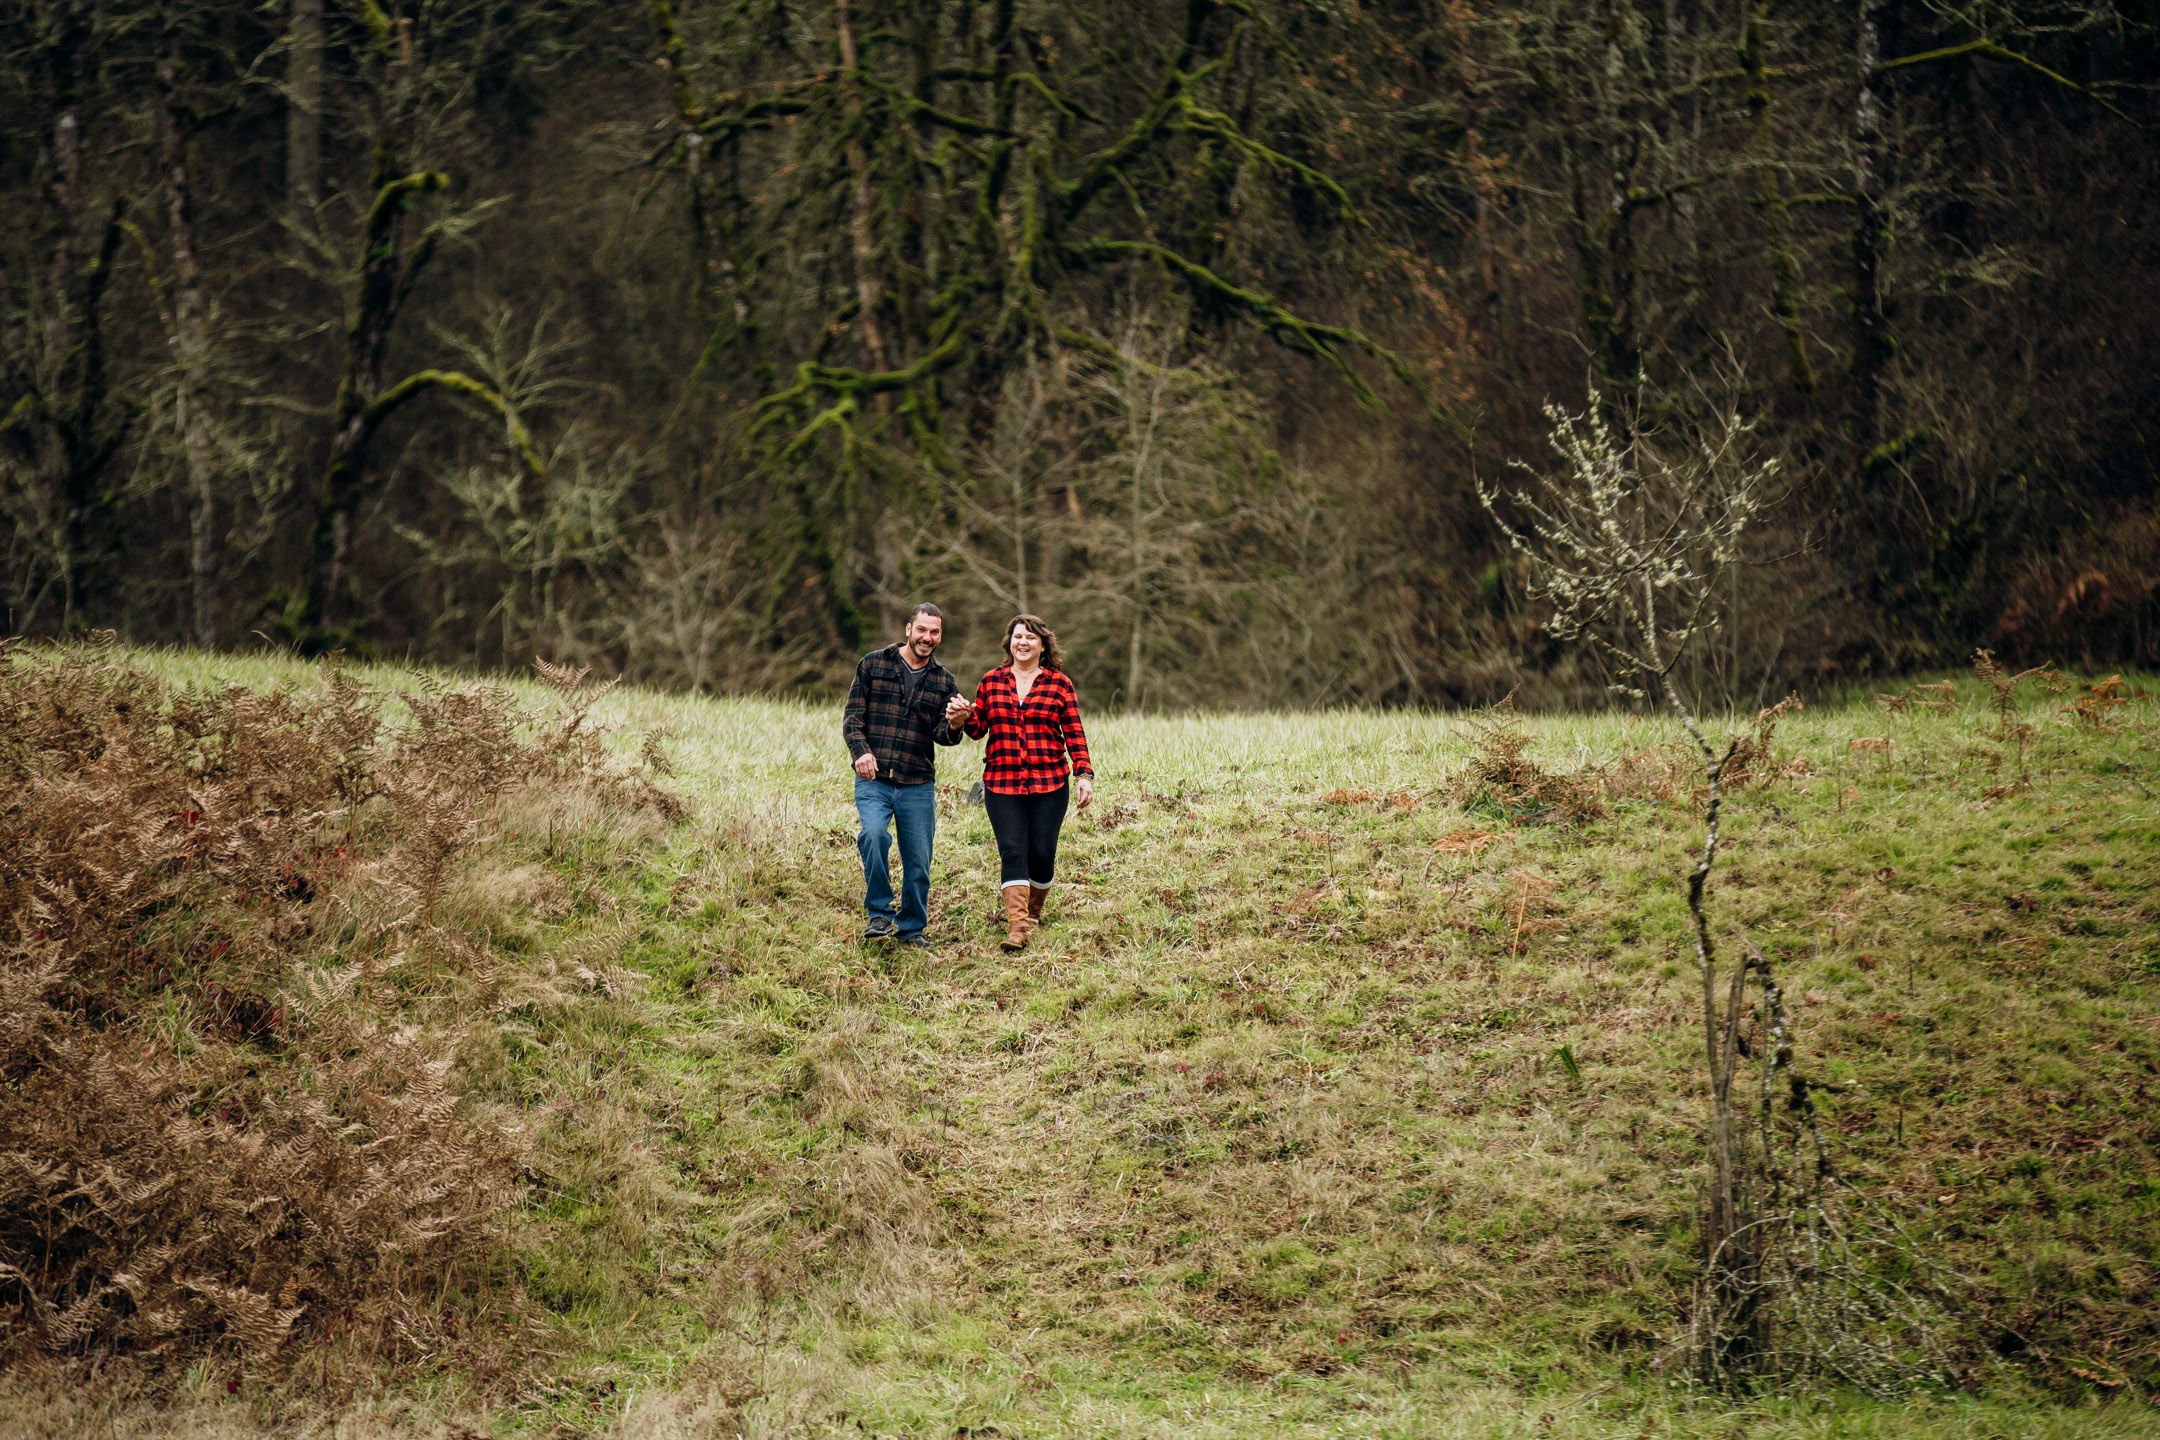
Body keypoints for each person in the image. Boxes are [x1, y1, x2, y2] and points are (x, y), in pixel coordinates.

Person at [944, 614, 1093, 952]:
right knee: (1012, 851)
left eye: (1030, 638)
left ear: (1043, 645)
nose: (1022, 642)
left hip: (1050, 783)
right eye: (1017, 637)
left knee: (1042, 854)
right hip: (1001, 781)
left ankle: (1034, 912)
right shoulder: (991, 681)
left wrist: (1083, 775)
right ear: (1009, 643)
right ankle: (1018, 927)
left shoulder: (1059, 684)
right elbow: (978, 728)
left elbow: (1074, 734)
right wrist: (963, 717)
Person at [843, 603, 964, 947]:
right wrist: (861, 752)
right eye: (922, 630)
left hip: (917, 783)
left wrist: (956, 723)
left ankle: (912, 929)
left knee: (919, 862)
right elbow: (853, 717)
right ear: (908, 628)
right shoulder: (872, 664)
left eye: (935, 632)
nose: (928, 638)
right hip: (874, 779)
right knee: (874, 836)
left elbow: (944, 734)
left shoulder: (944, 681)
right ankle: (880, 913)